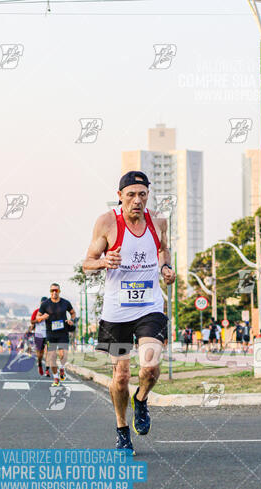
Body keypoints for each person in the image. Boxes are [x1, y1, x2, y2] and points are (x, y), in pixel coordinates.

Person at [82, 170, 175, 453]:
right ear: (120, 195)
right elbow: (87, 262)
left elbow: (163, 249)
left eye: (142, 194)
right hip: (117, 311)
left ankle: (142, 399)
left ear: (148, 195)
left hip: (149, 305)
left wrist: (165, 267)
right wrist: (103, 261)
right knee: (121, 376)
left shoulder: (158, 221)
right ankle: (122, 428)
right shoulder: (107, 222)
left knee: (150, 366)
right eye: (131, 194)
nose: (137, 200)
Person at [37, 284, 76, 386]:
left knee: (63, 355)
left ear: (59, 291)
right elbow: (38, 317)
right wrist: (43, 317)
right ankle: (56, 378)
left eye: (56, 290)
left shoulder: (65, 303)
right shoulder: (45, 304)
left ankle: (62, 368)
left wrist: (71, 320)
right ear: (50, 291)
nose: (54, 292)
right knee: (52, 357)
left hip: (63, 332)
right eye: (52, 290)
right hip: (50, 334)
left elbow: (73, 313)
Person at [31, 296, 50, 376]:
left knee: (48, 352)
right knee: (40, 354)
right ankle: (39, 364)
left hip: (49, 335)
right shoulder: (36, 311)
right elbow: (32, 321)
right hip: (38, 334)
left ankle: (47, 370)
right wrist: (40, 319)